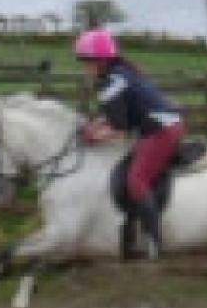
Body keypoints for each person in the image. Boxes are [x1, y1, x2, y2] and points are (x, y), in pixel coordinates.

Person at [75, 28, 186, 259]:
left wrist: (93, 136)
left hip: (161, 130)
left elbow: (120, 127)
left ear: (101, 61)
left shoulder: (111, 83)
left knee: (136, 180)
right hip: (163, 125)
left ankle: (154, 242)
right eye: (83, 61)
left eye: (87, 61)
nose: (84, 66)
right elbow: (119, 115)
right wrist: (94, 126)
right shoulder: (120, 73)